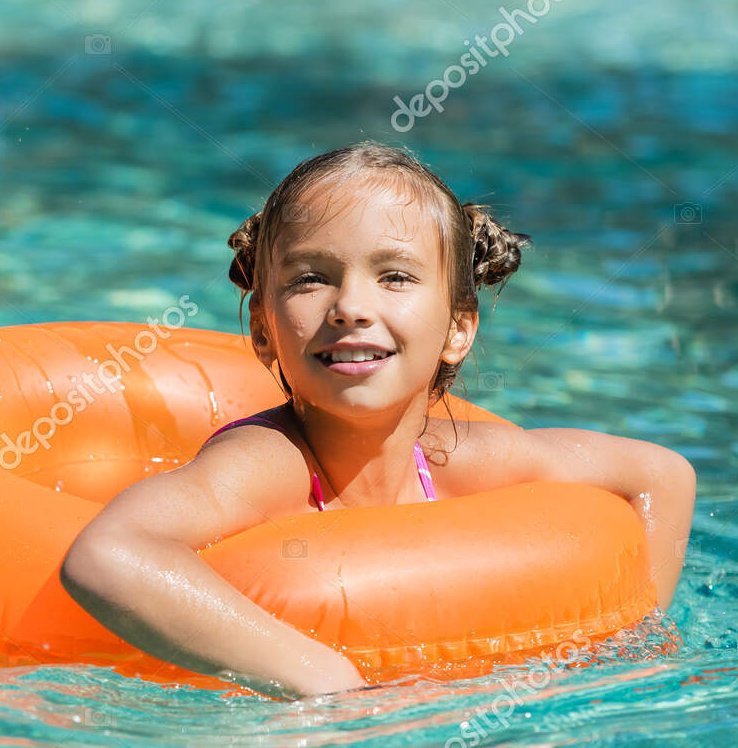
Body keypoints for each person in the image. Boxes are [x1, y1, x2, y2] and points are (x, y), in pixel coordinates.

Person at [59, 142, 696, 700]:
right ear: (263, 329)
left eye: (394, 276)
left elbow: (661, 475)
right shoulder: (270, 462)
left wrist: (636, 651)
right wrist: (321, 677)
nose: (351, 307)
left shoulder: (453, 459)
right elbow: (108, 554)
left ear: (458, 328)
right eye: (312, 278)